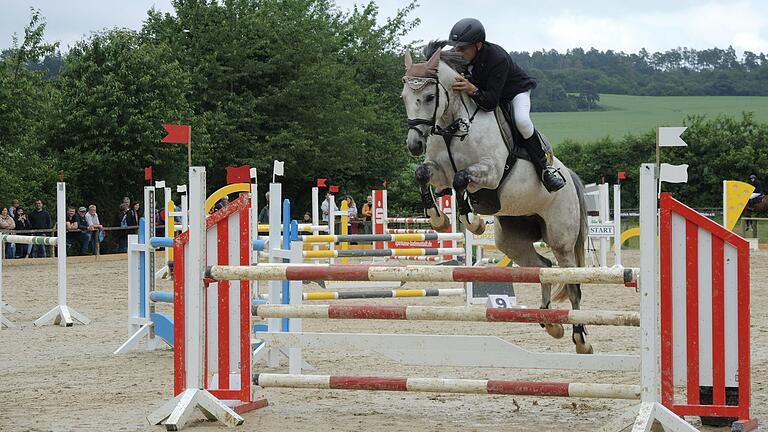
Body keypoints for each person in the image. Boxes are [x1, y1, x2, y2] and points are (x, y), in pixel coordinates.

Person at [447, 18, 565, 192]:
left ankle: (545, 170)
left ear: (478, 45)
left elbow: (490, 102)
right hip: (486, 91)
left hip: (513, 93)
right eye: (456, 47)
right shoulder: (459, 53)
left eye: (462, 48)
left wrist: (472, 89)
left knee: (522, 121)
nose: (457, 51)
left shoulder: (497, 58)